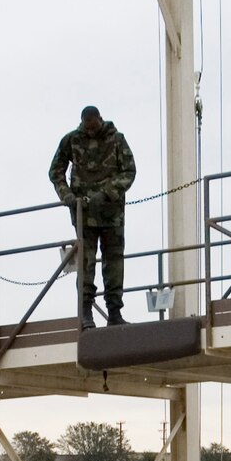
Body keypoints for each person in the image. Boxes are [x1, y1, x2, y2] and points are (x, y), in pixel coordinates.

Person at [48, 104, 138, 329]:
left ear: (100, 119)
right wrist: (66, 195)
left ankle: (114, 313)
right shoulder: (72, 140)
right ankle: (86, 313)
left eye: (93, 127)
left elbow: (129, 171)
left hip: (112, 215)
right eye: (87, 128)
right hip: (84, 215)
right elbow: (55, 171)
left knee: (114, 263)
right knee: (86, 265)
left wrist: (107, 193)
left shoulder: (116, 139)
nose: (90, 132)